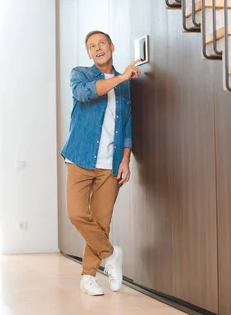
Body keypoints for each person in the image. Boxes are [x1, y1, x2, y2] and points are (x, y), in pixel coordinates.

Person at [61, 30, 141, 296]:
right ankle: (110, 254)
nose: (98, 49)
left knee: (101, 219)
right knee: (76, 214)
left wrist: (126, 159)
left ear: (112, 47)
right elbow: (87, 94)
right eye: (92, 46)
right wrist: (121, 77)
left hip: (111, 163)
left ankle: (89, 276)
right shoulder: (80, 74)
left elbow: (128, 123)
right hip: (81, 157)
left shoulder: (126, 83)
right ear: (88, 53)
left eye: (102, 44)